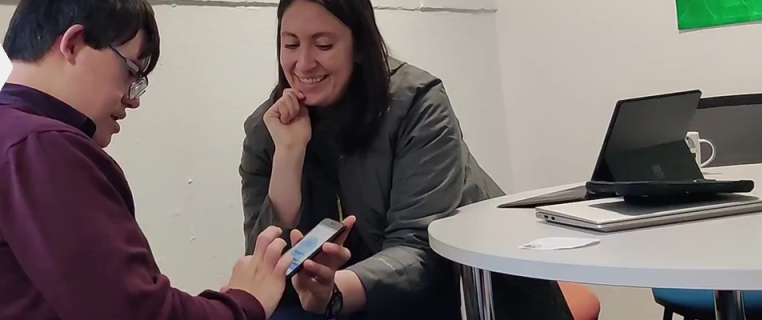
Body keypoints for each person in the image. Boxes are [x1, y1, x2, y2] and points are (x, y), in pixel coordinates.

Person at [0, 1, 354, 320]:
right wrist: (242, 303)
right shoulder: (39, 147)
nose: (132, 99)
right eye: (132, 71)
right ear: (74, 44)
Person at [238, 0, 576, 319]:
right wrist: (289, 156)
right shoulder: (267, 129)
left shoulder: (417, 105)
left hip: (467, 290)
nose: (304, 63)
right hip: (346, 298)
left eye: (323, 45)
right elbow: (262, 266)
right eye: (291, 44)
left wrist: (333, 292)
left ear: (359, 47)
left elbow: (419, 250)